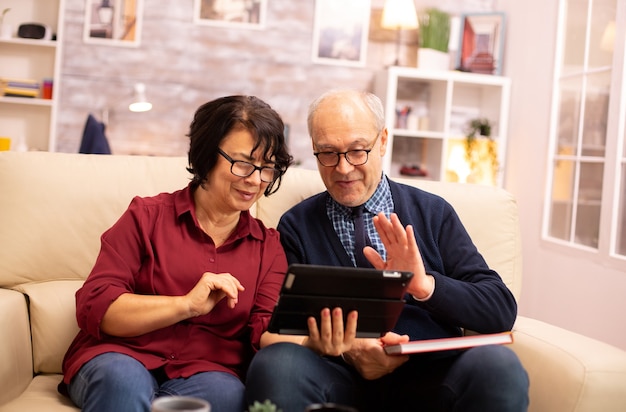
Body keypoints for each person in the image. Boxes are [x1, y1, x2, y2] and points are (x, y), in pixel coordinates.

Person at [245, 89, 529, 412]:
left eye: (357, 151)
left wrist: (424, 286)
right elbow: (287, 327)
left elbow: (500, 309)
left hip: (432, 379)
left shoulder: (433, 214)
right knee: (276, 365)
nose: (343, 168)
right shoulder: (296, 226)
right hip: (338, 379)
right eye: (327, 153)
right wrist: (348, 349)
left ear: (382, 141)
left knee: (499, 366)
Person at [58, 95, 293, 412]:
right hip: (120, 356)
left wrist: (320, 341)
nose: (255, 180)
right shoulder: (147, 216)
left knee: (227, 396)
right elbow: (97, 305)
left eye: (267, 168)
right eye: (243, 164)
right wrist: (185, 305)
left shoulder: (268, 248)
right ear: (207, 155)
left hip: (206, 372)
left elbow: (263, 333)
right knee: (122, 381)